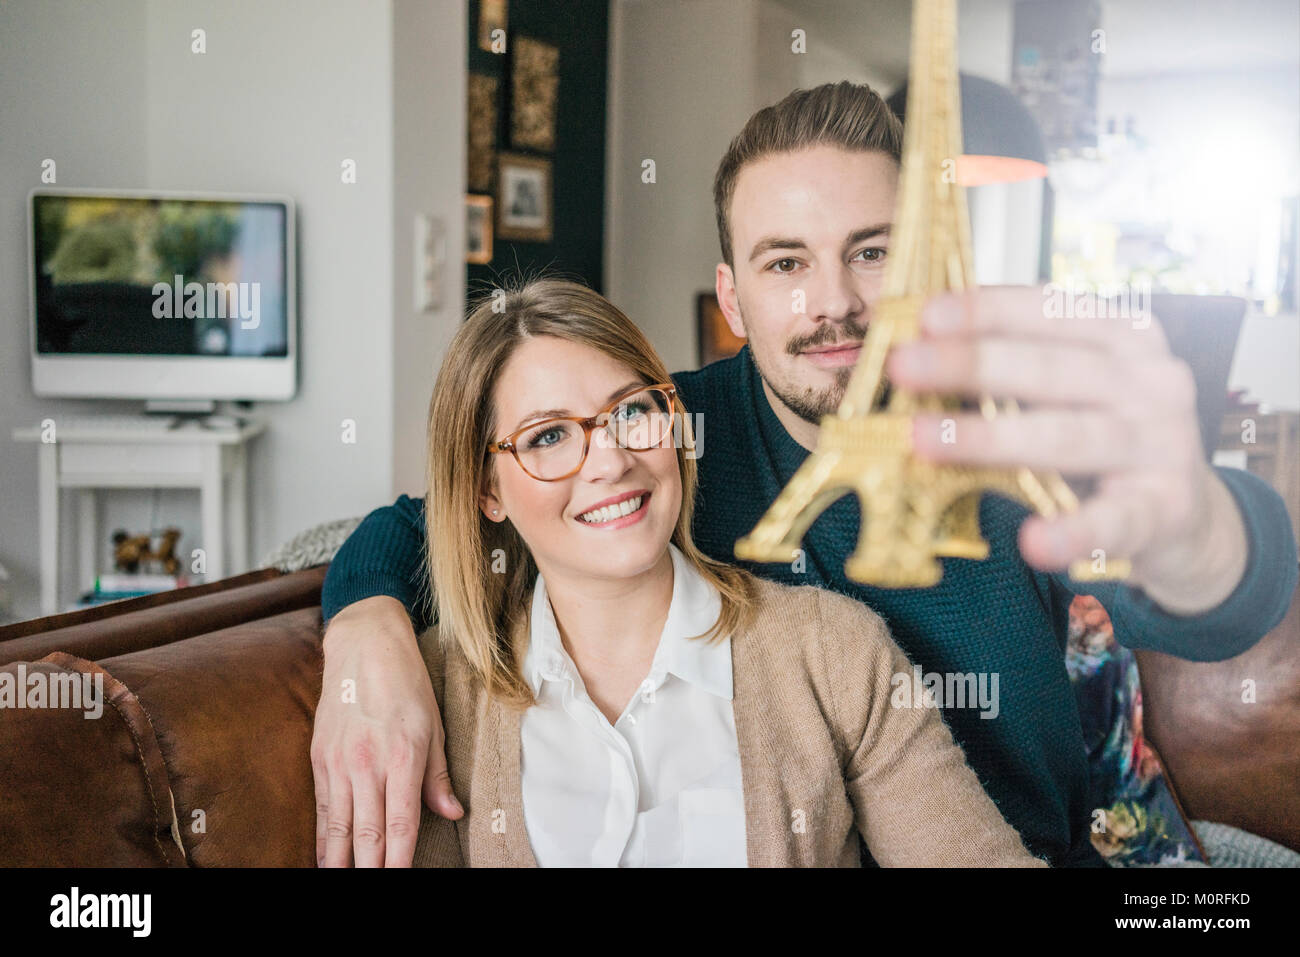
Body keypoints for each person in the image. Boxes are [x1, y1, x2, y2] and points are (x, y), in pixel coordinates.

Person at [312, 82, 1299, 868]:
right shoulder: (656, 437)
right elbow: (425, 518)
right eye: (786, 264)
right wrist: (364, 632)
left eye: (871, 252)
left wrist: (1198, 531)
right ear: (733, 297)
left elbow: (1218, 602)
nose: (835, 304)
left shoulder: (1012, 430)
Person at [410, 278, 1043, 867]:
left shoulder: (835, 653)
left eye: (632, 412)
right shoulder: (434, 694)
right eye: (548, 436)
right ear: (486, 489)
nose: (610, 461)